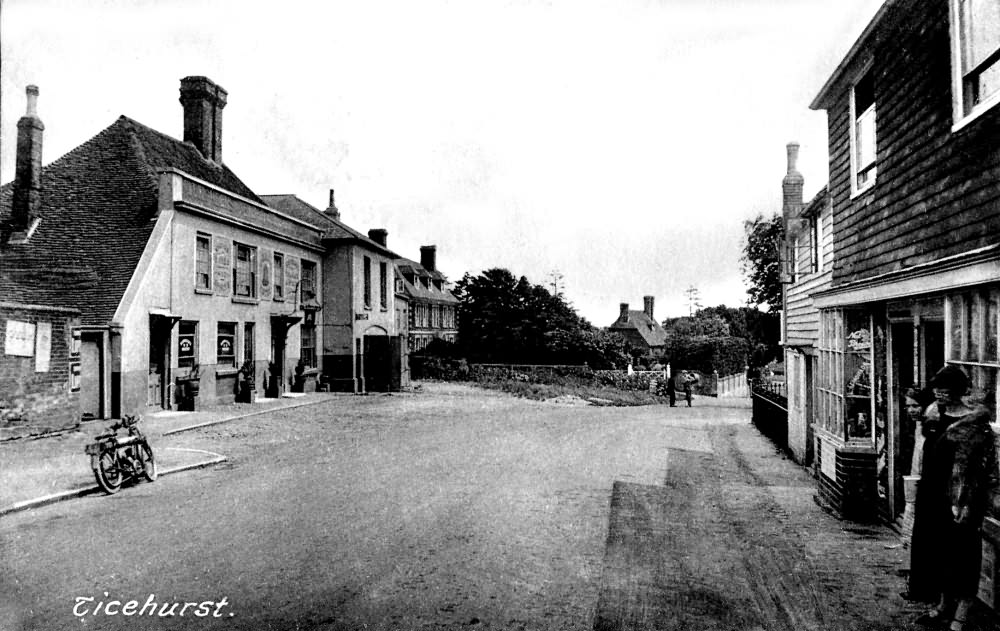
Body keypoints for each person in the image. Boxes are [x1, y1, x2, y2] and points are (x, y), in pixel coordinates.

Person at [914, 366, 998, 630]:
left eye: (945, 388)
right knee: (937, 551)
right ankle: (942, 606)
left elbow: (982, 468)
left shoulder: (973, 423)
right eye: (937, 387)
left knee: (962, 555)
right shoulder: (933, 415)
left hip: (961, 498)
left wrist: (966, 501)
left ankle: (960, 615)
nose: (939, 392)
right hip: (933, 493)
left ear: (958, 391)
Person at [902, 385, 938, 603]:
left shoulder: (930, 427)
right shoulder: (919, 426)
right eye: (908, 406)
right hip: (915, 483)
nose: (911, 410)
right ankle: (917, 585)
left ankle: (923, 588)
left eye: (915, 406)